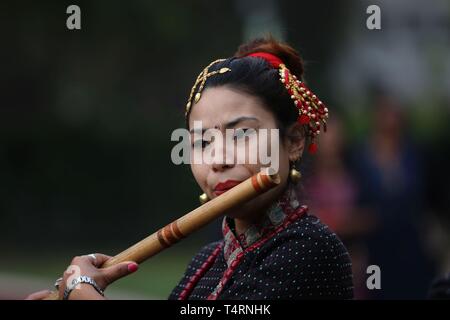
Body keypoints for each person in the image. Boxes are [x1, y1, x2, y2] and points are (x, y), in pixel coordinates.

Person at [26, 37, 353, 300]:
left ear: (294, 140)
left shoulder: (311, 249)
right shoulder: (205, 262)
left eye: (241, 134)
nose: (219, 159)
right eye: (202, 143)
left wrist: (83, 291)